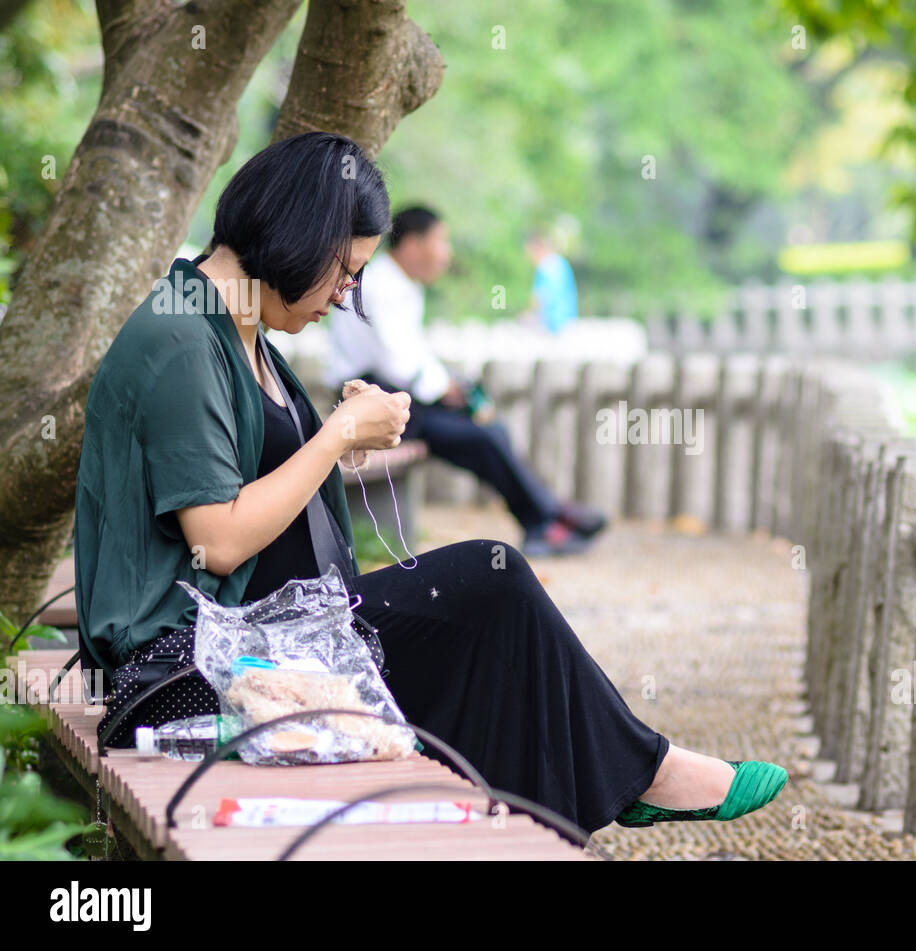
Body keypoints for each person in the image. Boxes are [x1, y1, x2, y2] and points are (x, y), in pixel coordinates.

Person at [73, 131, 786, 838]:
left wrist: (336, 429)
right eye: (345, 273)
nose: (347, 297)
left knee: (488, 600)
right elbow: (219, 539)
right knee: (487, 580)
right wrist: (337, 434)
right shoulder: (182, 339)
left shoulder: (237, 327)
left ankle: (597, 791)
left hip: (255, 639)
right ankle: (636, 773)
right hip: (182, 673)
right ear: (301, 237)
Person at [325, 206, 601, 557]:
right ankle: (547, 517)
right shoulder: (382, 284)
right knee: (483, 436)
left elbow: (413, 359)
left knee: (490, 431)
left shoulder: (400, 284)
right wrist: (446, 389)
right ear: (412, 246)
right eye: (441, 241)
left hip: (397, 395)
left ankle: (546, 516)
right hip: (369, 397)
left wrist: (449, 386)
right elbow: (397, 363)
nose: (446, 253)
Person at [523, 228, 578, 334]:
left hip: (555, 324)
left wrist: (528, 315)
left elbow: (542, 297)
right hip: (568, 320)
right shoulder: (560, 262)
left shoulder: (546, 267)